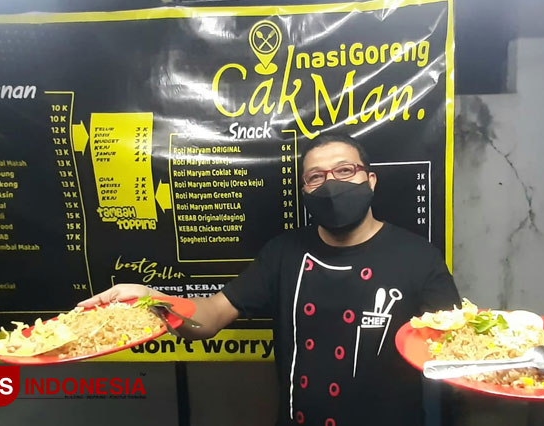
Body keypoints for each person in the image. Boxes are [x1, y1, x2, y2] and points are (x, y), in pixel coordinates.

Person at [79, 134, 460, 425]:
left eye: (345, 171)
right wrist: (149, 296)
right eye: (315, 177)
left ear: (371, 180)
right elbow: (208, 317)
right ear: (305, 191)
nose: (331, 183)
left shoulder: (418, 257)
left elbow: (456, 350)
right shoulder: (284, 252)